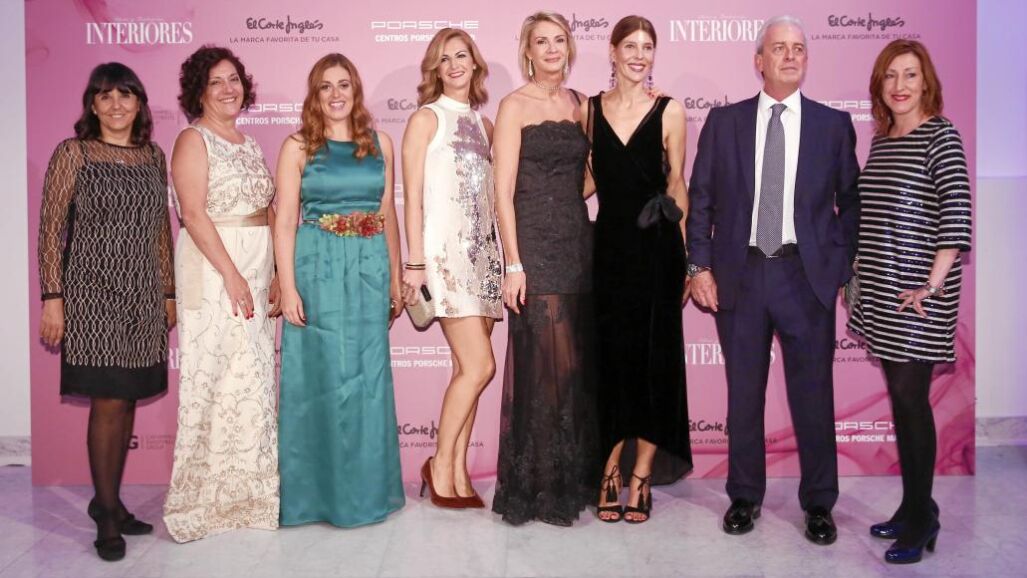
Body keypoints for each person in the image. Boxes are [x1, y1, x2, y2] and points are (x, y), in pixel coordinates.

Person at [686, 15, 860, 545]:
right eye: (779, 48)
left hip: (805, 277)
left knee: (813, 395)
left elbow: (851, 203)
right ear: (758, 60)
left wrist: (837, 266)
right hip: (740, 274)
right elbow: (700, 200)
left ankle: (819, 504)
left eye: (798, 48)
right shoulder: (725, 122)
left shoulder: (833, 125)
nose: (790, 56)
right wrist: (699, 267)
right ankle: (744, 496)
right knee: (744, 394)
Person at [37, 62, 175, 562]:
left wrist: (168, 293)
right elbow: (51, 229)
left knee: (128, 398)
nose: (116, 105)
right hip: (91, 298)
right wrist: (53, 298)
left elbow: (160, 229)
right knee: (109, 403)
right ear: (92, 106)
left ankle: (108, 501)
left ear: (139, 103)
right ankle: (108, 516)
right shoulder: (73, 153)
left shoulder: (153, 156)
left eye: (125, 95)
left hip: (142, 296)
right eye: (105, 96)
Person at [847, 39, 971, 564]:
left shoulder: (940, 135)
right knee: (902, 401)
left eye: (910, 75)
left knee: (911, 400)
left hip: (919, 296)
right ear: (879, 85)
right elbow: (873, 215)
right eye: (890, 75)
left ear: (927, 83)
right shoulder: (882, 141)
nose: (899, 85)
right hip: (881, 290)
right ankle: (914, 506)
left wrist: (932, 286)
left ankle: (922, 520)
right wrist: (855, 271)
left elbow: (956, 214)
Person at [275, 53, 405, 527]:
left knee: (368, 380)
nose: (336, 94)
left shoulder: (381, 143)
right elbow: (284, 221)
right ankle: (317, 497)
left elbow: (388, 214)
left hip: (370, 264)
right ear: (315, 94)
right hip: (317, 266)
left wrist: (395, 277)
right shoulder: (298, 147)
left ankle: (367, 494)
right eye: (326, 86)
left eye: (344, 84)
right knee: (321, 377)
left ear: (356, 90)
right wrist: (288, 287)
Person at [163, 45, 280, 543]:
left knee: (251, 382)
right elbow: (192, 213)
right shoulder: (193, 139)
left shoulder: (249, 143)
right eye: (216, 82)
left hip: (256, 267)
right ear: (199, 92)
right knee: (212, 379)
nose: (229, 89)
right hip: (215, 271)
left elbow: (268, 208)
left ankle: (249, 498)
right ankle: (199, 502)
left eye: (234, 79)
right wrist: (231, 275)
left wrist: (276, 273)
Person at [491, 11, 600, 527]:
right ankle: (539, 485)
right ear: (528, 51)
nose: (553, 48)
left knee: (575, 367)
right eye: (542, 41)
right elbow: (502, 192)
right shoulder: (513, 106)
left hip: (577, 243)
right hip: (533, 246)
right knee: (547, 367)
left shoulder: (582, 105)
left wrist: (564, 197)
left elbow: (593, 176)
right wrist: (513, 262)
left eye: (560, 40)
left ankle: (572, 478)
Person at [582, 15, 693, 524]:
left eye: (648, 47)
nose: (639, 55)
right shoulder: (589, 110)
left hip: (657, 250)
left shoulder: (671, 110)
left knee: (654, 362)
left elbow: (677, 186)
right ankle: (609, 469)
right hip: (608, 249)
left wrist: (686, 260)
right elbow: (587, 180)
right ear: (612, 51)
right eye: (630, 46)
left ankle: (642, 474)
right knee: (609, 360)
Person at [401, 29, 502, 508]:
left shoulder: (485, 125)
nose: (456, 64)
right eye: (445, 59)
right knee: (481, 366)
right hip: (446, 260)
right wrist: (415, 262)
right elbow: (412, 198)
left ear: (475, 64)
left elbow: (492, 197)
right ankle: (439, 465)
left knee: (467, 369)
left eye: (462, 56)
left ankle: (458, 470)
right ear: (435, 70)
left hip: (485, 260)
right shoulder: (426, 119)